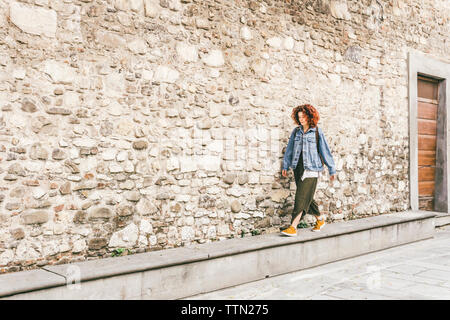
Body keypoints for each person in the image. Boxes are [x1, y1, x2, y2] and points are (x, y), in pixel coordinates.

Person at [280, 104, 336, 236]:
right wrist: (285, 165)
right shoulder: (296, 131)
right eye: (299, 117)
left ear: (310, 116)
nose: (301, 119)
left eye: (303, 117)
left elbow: (325, 151)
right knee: (307, 197)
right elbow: (289, 149)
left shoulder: (316, 131)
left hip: (312, 168)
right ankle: (320, 220)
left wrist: (331, 169)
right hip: (298, 167)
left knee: (300, 197)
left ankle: (293, 227)